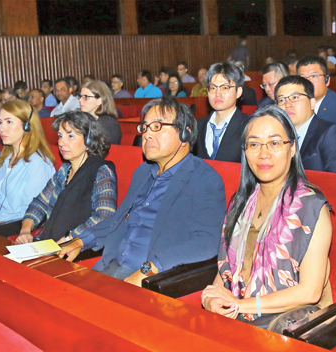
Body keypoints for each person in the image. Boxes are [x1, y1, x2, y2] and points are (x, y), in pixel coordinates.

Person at [58, 97, 226, 284]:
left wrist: (149, 269)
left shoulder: (204, 178)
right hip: (111, 265)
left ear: (185, 135)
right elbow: (117, 220)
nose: (147, 134)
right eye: (145, 127)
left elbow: (207, 241)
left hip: (152, 279)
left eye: (157, 127)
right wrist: (81, 241)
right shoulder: (143, 172)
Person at [201, 106, 332, 331]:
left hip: (286, 324)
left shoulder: (311, 207)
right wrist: (211, 299)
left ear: (292, 148)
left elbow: (310, 291)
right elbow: (228, 270)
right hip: (239, 312)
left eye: (274, 143)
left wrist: (240, 305)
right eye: (254, 144)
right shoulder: (241, 202)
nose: (263, 154)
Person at [16, 112, 117, 244]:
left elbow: (105, 217)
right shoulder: (64, 170)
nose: (62, 143)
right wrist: (26, 230)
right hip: (48, 243)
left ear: (89, 139)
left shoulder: (102, 172)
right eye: (60, 136)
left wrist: (70, 238)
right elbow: (40, 202)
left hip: (77, 247)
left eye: (70, 136)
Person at [0, 100, 56, 227]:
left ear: (27, 126)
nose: (1, 128)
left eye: (9, 122)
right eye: (0, 122)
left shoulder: (38, 163)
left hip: (11, 231)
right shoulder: (5, 159)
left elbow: (29, 214)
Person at [275, 76, 336, 174]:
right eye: (281, 100)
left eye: (295, 97)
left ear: (312, 103)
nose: (287, 104)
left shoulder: (332, 134)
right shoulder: (276, 136)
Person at [193, 62, 248, 162]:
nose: (218, 94)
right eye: (213, 88)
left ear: (238, 92)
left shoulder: (249, 125)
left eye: (225, 88)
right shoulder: (197, 126)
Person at [297, 56, 336, 133]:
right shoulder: (293, 104)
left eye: (314, 76)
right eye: (303, 78)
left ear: (327, 80)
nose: (308, 82)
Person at [79, 80, 122, 145]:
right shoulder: (81, 120)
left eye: (86, 97)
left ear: (99, 101)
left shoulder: (109, 124)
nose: (80, 100)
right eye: (80, 96)